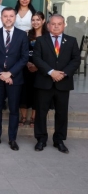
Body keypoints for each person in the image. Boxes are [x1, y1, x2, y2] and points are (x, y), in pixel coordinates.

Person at [33, 14, 80, 153]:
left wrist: (63, 73)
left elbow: (76, 60)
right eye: (53, 24)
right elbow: (36, 58)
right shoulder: (41, 40)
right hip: (44, 82)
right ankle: (41, 139)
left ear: (64, 25)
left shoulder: (71, 41)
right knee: (41, 112)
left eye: (59, 24)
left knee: (61, 113)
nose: (56, 26)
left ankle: (59, 140)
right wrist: (51, 72)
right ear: (48, 25)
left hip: (63, 83)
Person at [0, 7, 29, 151]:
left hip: (15, 79)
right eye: (5, 16)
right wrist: (1, 74)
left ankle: (12, 139)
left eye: (11, 16)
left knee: (14, 110)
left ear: (15, 18)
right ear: (1, 18)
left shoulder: (22, 35)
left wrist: (10, 74)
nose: (8, 18)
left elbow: (24, 58)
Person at [19, 11, 48, 127]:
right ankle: (23, 117)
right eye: (33, 20)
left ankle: (33, 118)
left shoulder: (48, 36)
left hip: (40, 70)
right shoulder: (26, 34)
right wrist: (27, 63)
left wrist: (38, 66)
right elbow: (22, 52)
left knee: (37, 94)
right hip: (26, 68)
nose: (35, 22)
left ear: (43, 21)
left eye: (38, 20)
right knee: (24, 93)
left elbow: (48, 55)